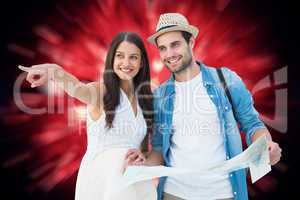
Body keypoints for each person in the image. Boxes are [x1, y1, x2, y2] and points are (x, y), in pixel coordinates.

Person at [128, 13, 282, 200]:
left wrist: (267, 146)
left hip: (223, 193)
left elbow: (252, 124)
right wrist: (142, 164)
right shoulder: (161, 95)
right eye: (163, 48)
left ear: (191, 42)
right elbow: (159, 149)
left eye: (175, 44)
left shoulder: (226, 80)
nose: (169, 54)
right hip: (174, 193)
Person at [18, 32, 157, 200]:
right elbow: (77, 88)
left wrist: (143, 157)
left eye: (133, 57)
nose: (126, 63)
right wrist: (53, 70)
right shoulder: (100, 91)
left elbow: (144, 149)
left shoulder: (146, 99)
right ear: (111, 60)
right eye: (120, 56)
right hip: (102, 179)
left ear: (142, 62)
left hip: (136, 181)